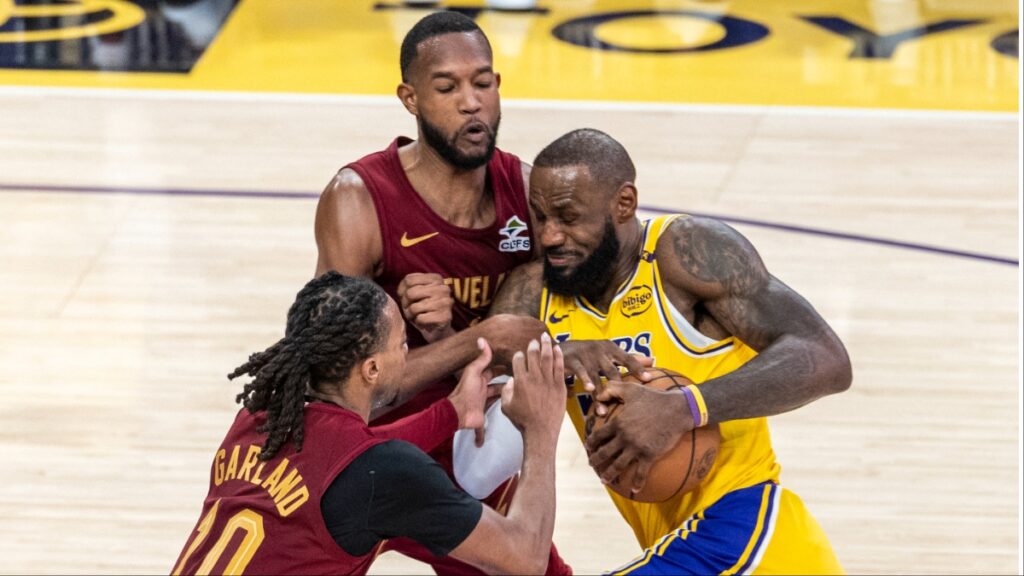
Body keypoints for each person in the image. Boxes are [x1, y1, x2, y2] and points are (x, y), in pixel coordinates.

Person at [488, 129, 853, 575]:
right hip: (677, 547)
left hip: (748, 534)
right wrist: (549, 361)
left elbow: (826, 357)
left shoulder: (685, 252)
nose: (548, 236)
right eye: (539, 217)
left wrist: (683, 408)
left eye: (568, 217)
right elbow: (479, 413)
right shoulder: (532, 293)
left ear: (623, 203)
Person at [313, 11, 571, 575]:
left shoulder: (526, 193)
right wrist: (478, 340)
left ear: (499, 86)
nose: (471, 101)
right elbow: (335, 385)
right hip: (373, 445)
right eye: (447, 86)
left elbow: (570, 319)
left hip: (472, 440)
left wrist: (451, 335)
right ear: (409, 97)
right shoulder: (359, 199)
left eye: (482, 82)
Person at [172, 272, 568, 575]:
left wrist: (452, 411)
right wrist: (542, 430)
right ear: (372, 368)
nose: (407, 349)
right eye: (401, 343)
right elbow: (525, 558)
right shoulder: (380, 474)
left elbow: (352, 457)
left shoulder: (256, 420)